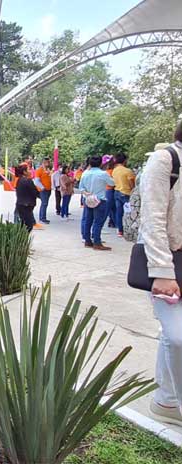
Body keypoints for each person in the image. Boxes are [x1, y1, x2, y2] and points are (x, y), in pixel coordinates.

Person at [142, 121, 182, 427]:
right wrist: (161, 270)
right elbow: (152, 218)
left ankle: (165, 400)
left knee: (171, 336)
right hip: (170, 261)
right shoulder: (166, 160)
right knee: (177, 336)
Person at [79, 156, 115, 250]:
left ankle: (87, 240)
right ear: (100, 163)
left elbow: (81, 187)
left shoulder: (85, 173)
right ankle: (97, 242)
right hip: (99, 199)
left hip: (88, 199)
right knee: (98, 222)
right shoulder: (103, 173)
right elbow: (112, 183)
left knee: (88, 220)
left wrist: (86, 193)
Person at [112, 153, 136, 237]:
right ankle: (129, 229)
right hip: (126, 193)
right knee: (129, 212)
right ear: (125, 160)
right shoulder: (127, 171)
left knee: (119, 212)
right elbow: (132, 184)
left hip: (117, 192)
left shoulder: (114, 170)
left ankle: (120, 231)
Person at [15, 164, 39, 232]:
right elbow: (35, 192)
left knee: (23, 224)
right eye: (28, 169)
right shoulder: (28, 181)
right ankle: (22, 241)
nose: (30, 171)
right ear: (24, 172)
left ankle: (22, 240)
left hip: (21, 204)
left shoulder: (19, 180)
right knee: (28, 226)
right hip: (26, 205)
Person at [33, 158, 52, 224]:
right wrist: (42, 187)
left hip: (48, 189)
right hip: (43, 190)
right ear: (44, 162)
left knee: (45, 203)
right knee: (44, 203)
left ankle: (43, 217)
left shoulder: (48, 170)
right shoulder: (39, 170)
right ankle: (42, 218)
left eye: (49, 162)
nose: (49, 163)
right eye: (47, 162)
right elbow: (36, 181)